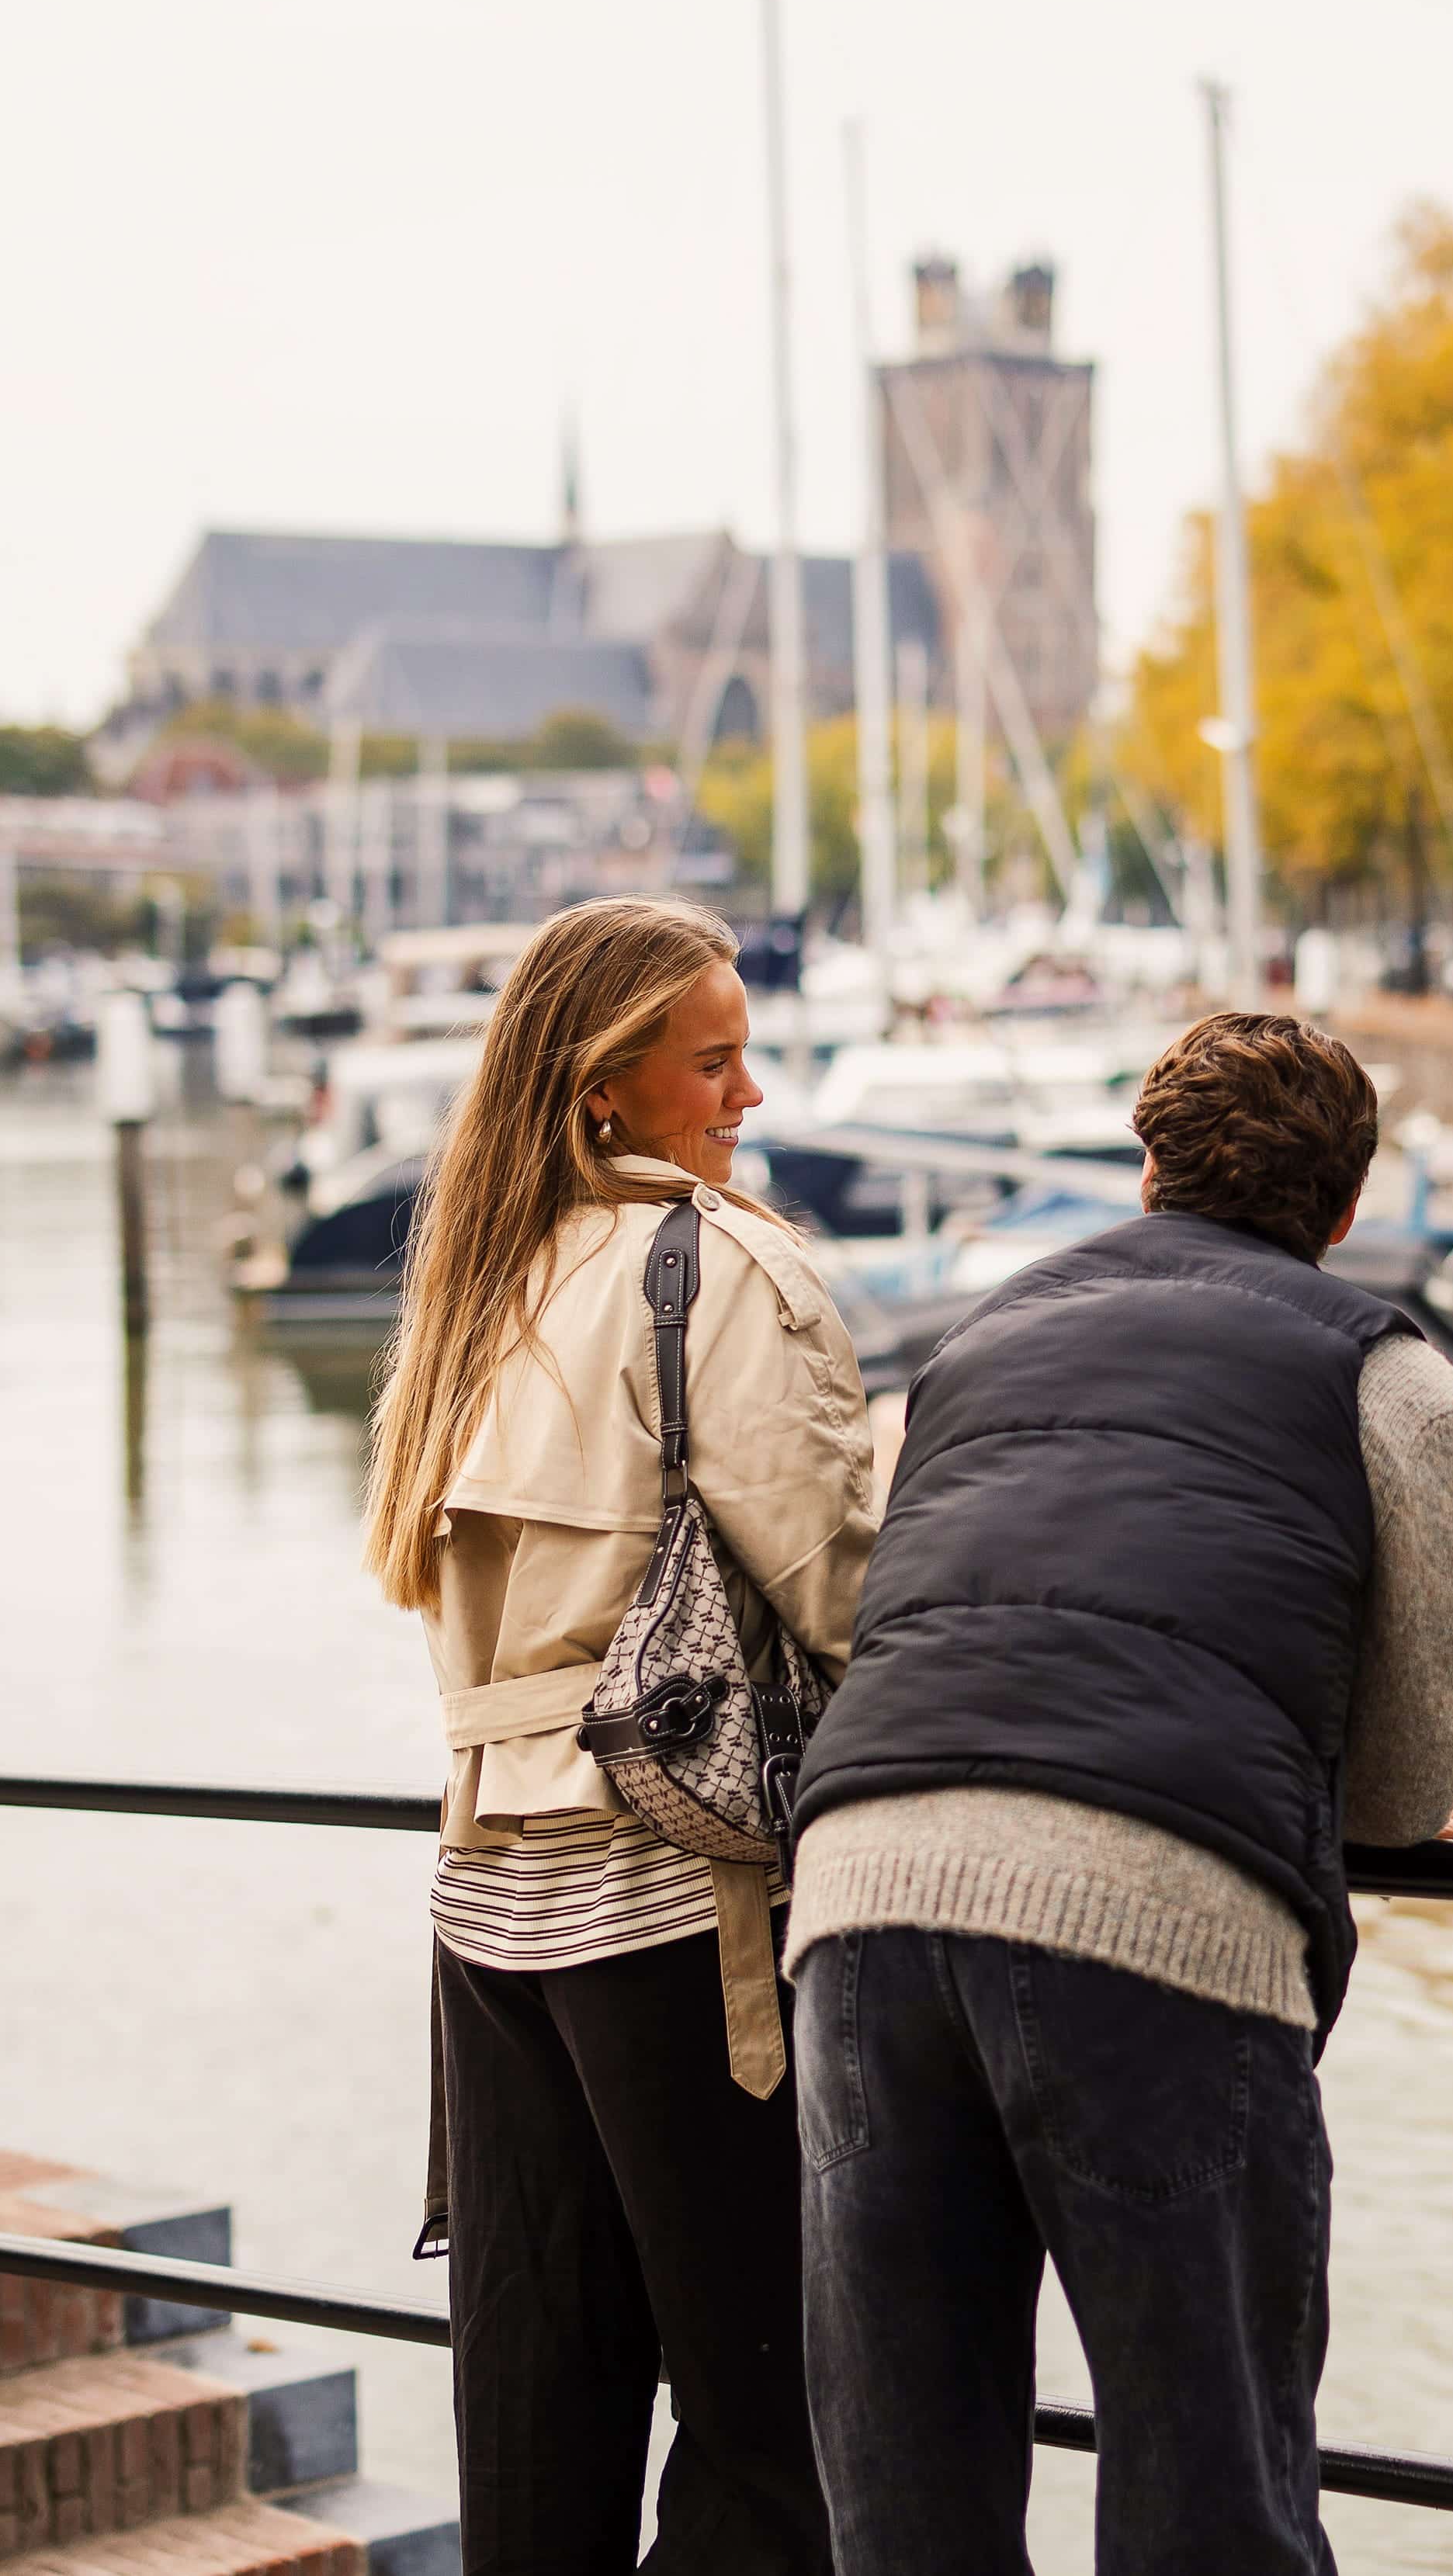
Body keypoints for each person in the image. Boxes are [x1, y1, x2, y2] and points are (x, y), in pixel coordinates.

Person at [785, 1011, 1453, 2576]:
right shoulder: (1402, 1388)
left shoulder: (977, 1336)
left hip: (858, 1893)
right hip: (1152, 1907)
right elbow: (1401, 1776)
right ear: (1347, 1204)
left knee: (908, 2494)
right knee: (1206, 2486)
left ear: (1144, 1168)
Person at [362, 896, 872, 2575]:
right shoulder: (712, 1265)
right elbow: (843, 1585)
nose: (748, 1094)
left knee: (537, 2398)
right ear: (606, 1087)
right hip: (677, 1905)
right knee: (771, 2414)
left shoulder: (476, 1281)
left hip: (487, 1900)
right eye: (713, 1061)